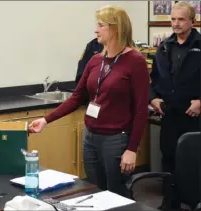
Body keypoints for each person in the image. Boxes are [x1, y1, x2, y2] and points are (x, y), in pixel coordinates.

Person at [29, 5, 150, 197]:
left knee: (116, 194)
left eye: (101, 25)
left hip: (116, 140)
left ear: (115, 28)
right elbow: (77, 97)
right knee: (94, 191)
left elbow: (141, 110)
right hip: (90, 137)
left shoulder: (135, 61)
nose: (96, 30)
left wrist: (132, 149)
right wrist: (45, 120)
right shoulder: (95, 60)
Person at [149, 2, 201, 175]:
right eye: (173, 19)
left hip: (194, 115)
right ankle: (170, 201)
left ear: (192, 21)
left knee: (193, 160)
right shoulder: (164, 47)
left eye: (181, 19)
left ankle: (195, 201)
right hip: (169, 114)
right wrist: (153, 98)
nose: (176, 23)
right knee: (169, 158)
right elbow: (154, 79)